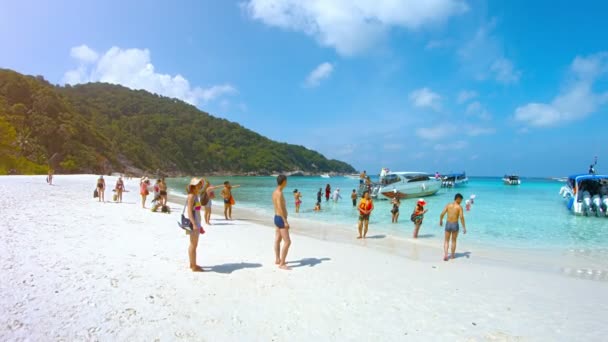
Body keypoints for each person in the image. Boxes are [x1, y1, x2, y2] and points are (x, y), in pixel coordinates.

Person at [186, 178, 206, 272]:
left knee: (193, 245)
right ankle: (194, 266)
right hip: (193, 224)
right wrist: (194, 224)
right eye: (198, 185)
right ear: (193, 186)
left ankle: (192, 264)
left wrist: (199, 225)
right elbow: (189, 211)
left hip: (196, 223)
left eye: (200, 185)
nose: (200, 186)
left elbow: (196, 212)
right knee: (193, 245)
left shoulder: (195, 195)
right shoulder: (191, 196)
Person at [439, 193, 467, 261]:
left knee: (446, 240)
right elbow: (461, 217)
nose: (461, 201)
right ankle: (452, 256)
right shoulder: (459, 207)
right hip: (455, 224)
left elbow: (442, 213)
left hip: (448, 224)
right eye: (461, 200)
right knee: (454, 241)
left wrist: (441, 220)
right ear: (458, 199)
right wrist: (464, 227)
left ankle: (446, 255)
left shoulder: (448, 205)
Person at [272, 175, 292, 270]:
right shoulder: (279, 193)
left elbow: (276, 207)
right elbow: (280, 208)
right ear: (283, 182)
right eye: (286, 181)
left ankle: (277, 259)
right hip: (280, 218)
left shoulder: (275, 192)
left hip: (276, 217)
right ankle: (282, 263)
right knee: (287, 242)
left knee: (278, 240)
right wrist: (285, 221)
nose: (287, 183)